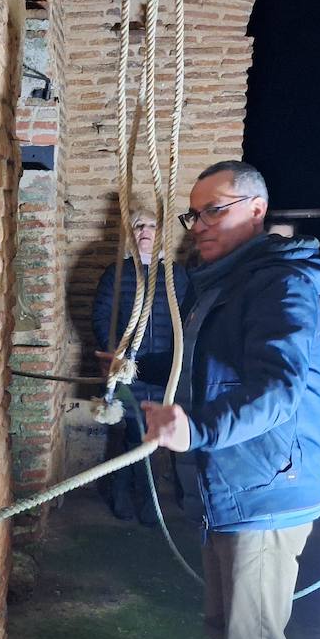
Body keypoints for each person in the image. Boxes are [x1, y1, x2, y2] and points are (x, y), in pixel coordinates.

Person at [139, 160, 320, 639]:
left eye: (211, 211)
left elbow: (279, 387)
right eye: (193, 215)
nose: (197, 228)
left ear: (255, 208)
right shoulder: (228, 281)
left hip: (268, 486)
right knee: (228, 628)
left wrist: (200, 430)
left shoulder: (279, 282)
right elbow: (212, 370)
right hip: (236, 483)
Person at [91, 208, 191, 523]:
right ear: (130, 234)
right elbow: (102, 317)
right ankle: (126, 497)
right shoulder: (116, 274)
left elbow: (186, 320)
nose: (145, 231)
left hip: (164, 371)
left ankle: (147, 502)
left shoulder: (177, 275)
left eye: (151, 225)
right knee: (134, 433)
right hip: (129, 370)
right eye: (138, 226)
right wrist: (116, 356)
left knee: (154, 437)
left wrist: (179, 363)